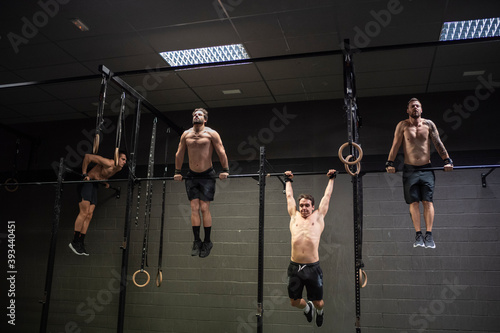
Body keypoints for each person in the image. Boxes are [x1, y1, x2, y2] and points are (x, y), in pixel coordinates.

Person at [386, 98, 453, 249]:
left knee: (427, 201)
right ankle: (418, 235)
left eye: (418, 106)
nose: (415, 108)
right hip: (410, 170)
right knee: (413, 202)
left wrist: (447, 160)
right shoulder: (402, 125)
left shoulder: (429, 124)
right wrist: (389, 163)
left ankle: (429, 235)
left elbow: (437, 143)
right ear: (408, 110)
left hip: (426, 168)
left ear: (421, 110)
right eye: (412, 106)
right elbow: (395, 144)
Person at [284, 169, 336, 328]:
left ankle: (319, 311)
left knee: (319, 302)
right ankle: (308, 308)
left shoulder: (318, 217)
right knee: (294, 302)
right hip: (295, 268)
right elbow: (289, 197)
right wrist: (288, 180)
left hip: (313, 268)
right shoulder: (294, 216)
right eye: (302, 206)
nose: (304, 208)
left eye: (307, 205)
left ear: (313, 207)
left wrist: (331, 179)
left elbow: (326, 197)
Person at [174, 108, 229, 258]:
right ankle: (197, 241)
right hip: (192, 175)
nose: (196, 116)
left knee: (204, 208)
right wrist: (177, 171)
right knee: (194, 207)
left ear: (205, 119)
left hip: (207, 174)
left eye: (200, 114)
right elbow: (179, 153)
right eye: (194, 114)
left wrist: (225, 169)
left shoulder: (211, 133)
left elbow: (221, 151)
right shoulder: (186, 134)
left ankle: (208, 241)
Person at [69, 151, 127, 256]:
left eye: (125, 160)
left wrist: (105, 182)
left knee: (89, 215)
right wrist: (84, 174)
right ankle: (74, 241)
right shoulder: (109, 162)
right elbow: (87, 157)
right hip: (87, 182)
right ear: (117, 157)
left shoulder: (118, 169)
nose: (124, 162)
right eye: (123, 159)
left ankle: (81, 242)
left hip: (94, 185)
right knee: (84, 212)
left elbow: (101, 174)